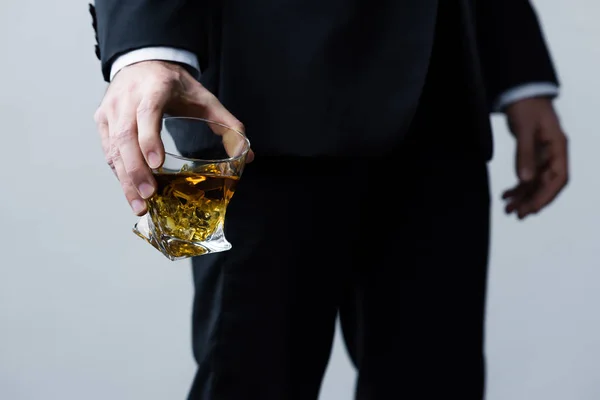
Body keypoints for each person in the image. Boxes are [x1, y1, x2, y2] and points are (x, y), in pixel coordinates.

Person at [89, 0, 569, 398]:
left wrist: (519, 74)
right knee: (250, 378)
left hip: (438, 96)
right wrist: (147, 46)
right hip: (262, 111)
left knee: (436, 381)